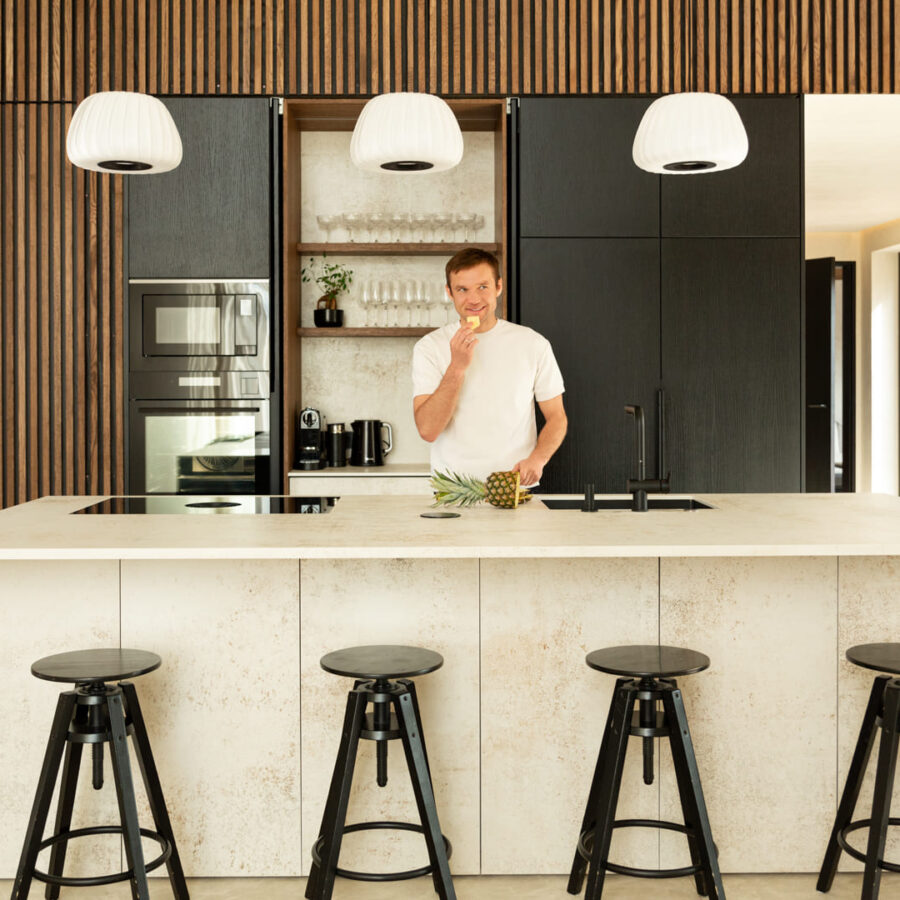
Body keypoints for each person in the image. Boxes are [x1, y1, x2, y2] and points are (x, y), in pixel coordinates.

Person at [412, 247, 567, 485]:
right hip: (452, 491)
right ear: (449, 293)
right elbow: (428, 430)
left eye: (482, 287)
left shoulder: (533, 343)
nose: (473, 299)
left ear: (498, 287)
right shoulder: (429, 347)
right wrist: (457, 367)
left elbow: (557, 417)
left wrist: (538, 459)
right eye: (462, 289)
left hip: (515, 488)